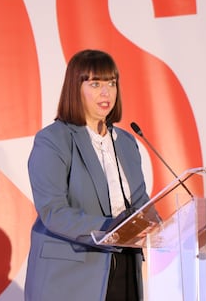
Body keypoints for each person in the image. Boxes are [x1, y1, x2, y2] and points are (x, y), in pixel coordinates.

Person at [24, 49, 151, 301]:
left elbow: (140, 204)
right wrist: (109, 229)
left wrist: (156, 224)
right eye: (95, 84)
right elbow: (53, 211)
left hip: (125, 269)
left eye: (111, 83)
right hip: (72, 278)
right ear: (75, 88)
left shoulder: (126, 142)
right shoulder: (53, 140)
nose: (106, 93)